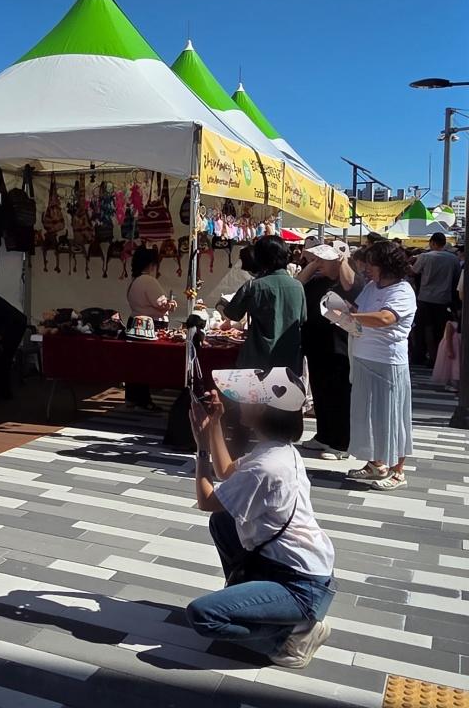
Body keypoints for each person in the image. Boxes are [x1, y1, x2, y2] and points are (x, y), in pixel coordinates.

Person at [185, 367, 336, 669]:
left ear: (262, 410)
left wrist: (201, 446)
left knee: (203, 615)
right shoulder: (278, 451)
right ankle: (254, 598)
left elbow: (207, 500)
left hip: (299, 585)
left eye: (248, 398)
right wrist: (215, 423)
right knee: (224, 522)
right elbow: (226, 472)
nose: (240, 402)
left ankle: (289, 637)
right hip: (296, 570)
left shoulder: (266, 466)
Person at [338, 241, 416, 490]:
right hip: (364, 357)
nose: (366, 269)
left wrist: (351, 316)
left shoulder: (403, 291)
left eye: (370, 263)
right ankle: (376, 463)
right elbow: (359, 309)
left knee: (393, 416)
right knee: (366, 414)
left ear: (385, 264)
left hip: (388, 361)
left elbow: (385, 318)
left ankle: (398, 470)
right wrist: (341, 309)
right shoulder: (372, 287)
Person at [296, 242, 362, 459]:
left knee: (339, 395)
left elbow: (352, 285)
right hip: (316, 344)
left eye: (323, 259)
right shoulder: (317, 280)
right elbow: (298, 285)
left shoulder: (348, 281)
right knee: (320, 391)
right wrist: (314, 264)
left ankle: (342, 443)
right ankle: (324, 435)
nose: (318, 263)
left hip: (339, 346)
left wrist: (341, 260)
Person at [221, 235, 307, 373]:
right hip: (290, 360)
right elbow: (302, 319)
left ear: (260, 258)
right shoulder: (298, 286)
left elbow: (232, 313)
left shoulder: (254, 286)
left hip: (258, 360)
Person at [125, 246, 177, 409]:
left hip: (135, 321)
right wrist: (171, 304)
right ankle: (145, 400)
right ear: (151, 264)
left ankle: (132, 398)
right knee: (146, 363)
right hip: (150, 325)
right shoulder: (148, 280)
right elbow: (161, 304)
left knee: (135, 363)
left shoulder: (135, 281)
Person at [410, 232, 460, 366]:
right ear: (444, 243)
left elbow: (413, 272)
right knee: (440, 330)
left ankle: (421, 357)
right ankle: (438, 358)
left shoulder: (425, 256)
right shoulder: (453, 259)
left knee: (424, 329)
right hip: (444, 299)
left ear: (432, 243)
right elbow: (456, 278)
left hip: (425, 298)